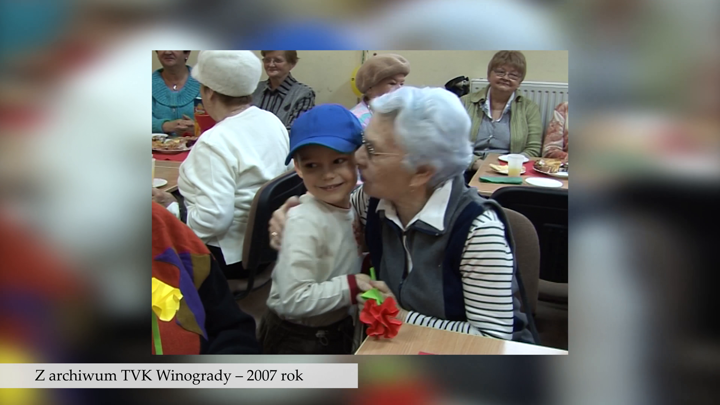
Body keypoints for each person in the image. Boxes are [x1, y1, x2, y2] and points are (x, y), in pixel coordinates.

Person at [270, 86, 536, 343]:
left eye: (371, 149)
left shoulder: (479, 233)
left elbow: (493, 339)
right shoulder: (372, 200)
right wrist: (289, 215)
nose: (357, 158)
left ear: (421, 171)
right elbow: (329, 212)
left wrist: (404, 318)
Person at [152, 50, 290, 280]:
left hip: (227, 257)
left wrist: (173, 208)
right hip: (266, 249)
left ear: (210, 92)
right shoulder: (271, 121)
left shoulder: (214, 142)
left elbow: (213, 221)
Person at [259, 104, 371, 354]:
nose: (327, 175)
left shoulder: (349, 204)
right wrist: (352, 286)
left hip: (334, 326)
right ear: (298, 167)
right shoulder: (303, 221)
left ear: (358, 158)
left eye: (338, 160)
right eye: (312, 165)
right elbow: (291, 299)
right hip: (298, 339)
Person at [151, 201, 260, 354]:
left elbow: (229, 324)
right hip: (250, 250)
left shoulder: (158, 222)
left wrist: (176, 209)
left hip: (235, 256)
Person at [461, 51, 542, 173]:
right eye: (500, 72)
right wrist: (476, 163)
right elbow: (451, 143)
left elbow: (533, 148)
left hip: (510, 171)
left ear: (520, 82)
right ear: (489, 75)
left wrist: (510, 166)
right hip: (466, 169)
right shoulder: (465, 103)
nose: (506, 78)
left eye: (513, 75)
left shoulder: (529, 108)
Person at [252, 51, 315, 130]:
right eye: (267, 60)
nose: (271, 65)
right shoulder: (254, 89)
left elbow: (295, 130)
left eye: (277, 61)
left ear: (292, 64)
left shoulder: (304, 94)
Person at [350, 53, 410, 128]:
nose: (399, 89)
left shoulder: (399, 114)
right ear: (370, 88)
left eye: (401, 84)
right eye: (392, 83)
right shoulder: (357, 120)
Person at [152, 50, 199, 135]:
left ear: (186, 53)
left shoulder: (204, 83)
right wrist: (165, 126)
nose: (167, 52)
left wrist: (198, 128)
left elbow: (218, 120)